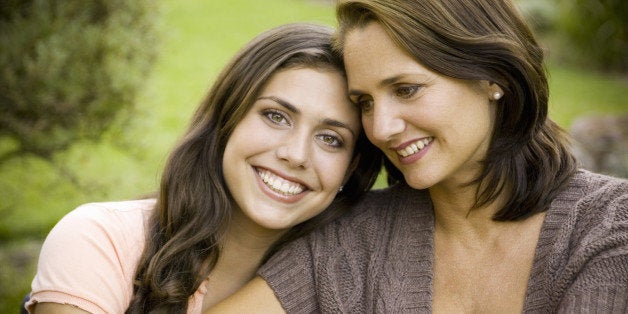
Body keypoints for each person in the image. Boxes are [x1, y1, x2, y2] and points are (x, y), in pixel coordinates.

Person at [208, 0, 628, 313]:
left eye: (406, 90)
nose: (381, 128)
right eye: (365, 102)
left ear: (493, 76)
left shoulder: (607, 230)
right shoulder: (353, 241)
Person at [25, 22, 382, 314]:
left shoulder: (344, 286)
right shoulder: (101, 240)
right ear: (228, 119)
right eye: (276, 116)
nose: (296, 154)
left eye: (331, 139)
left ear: (351, 169)